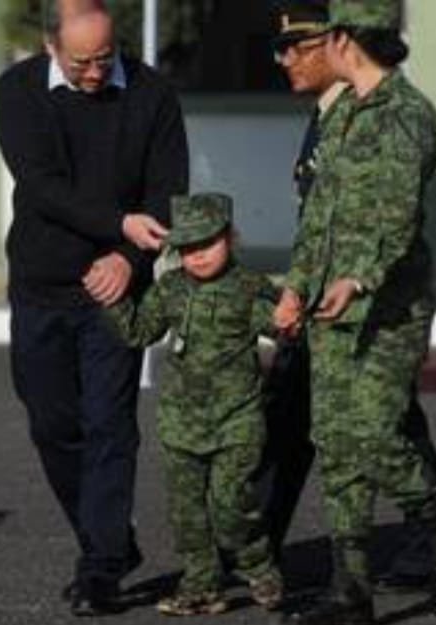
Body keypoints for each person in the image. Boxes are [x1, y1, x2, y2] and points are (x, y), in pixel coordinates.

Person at [272, 1, 436, 623]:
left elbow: (397, 214)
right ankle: (350, 589)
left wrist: (358, 279)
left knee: (376, 436)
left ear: (344, 38)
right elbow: (318, 217)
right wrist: (296, 285)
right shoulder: (342, 115)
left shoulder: (406, 115)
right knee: (334, 443)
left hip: (389, 311)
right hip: (329, 308)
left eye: (322, 37)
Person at [0, 0, 189, 616]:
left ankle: (101, 566)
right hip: (40, 285)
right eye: (81, 62)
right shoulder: (18, 90)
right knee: (52, 423)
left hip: (116, 292)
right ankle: (107, 538)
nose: (95, 72)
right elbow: (41, 184)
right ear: (52, 46)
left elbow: (169, 186)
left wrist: (128, 261)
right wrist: (117, 226)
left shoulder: (153, 93)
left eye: (105, 58)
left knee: (110, 424)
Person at [103, 193, 284, 617]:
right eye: (186, 249)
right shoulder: (170, 289)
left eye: (207, 244)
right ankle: (201, 585)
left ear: (230, 238)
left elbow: (282, 328)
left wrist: (288, 319)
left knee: (228, 504)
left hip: (236, 420)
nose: (197, 256)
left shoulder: (249, 288)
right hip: (180, 422)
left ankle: (259, 565)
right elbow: (139, 333)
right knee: (186, 514)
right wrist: (112, 298)